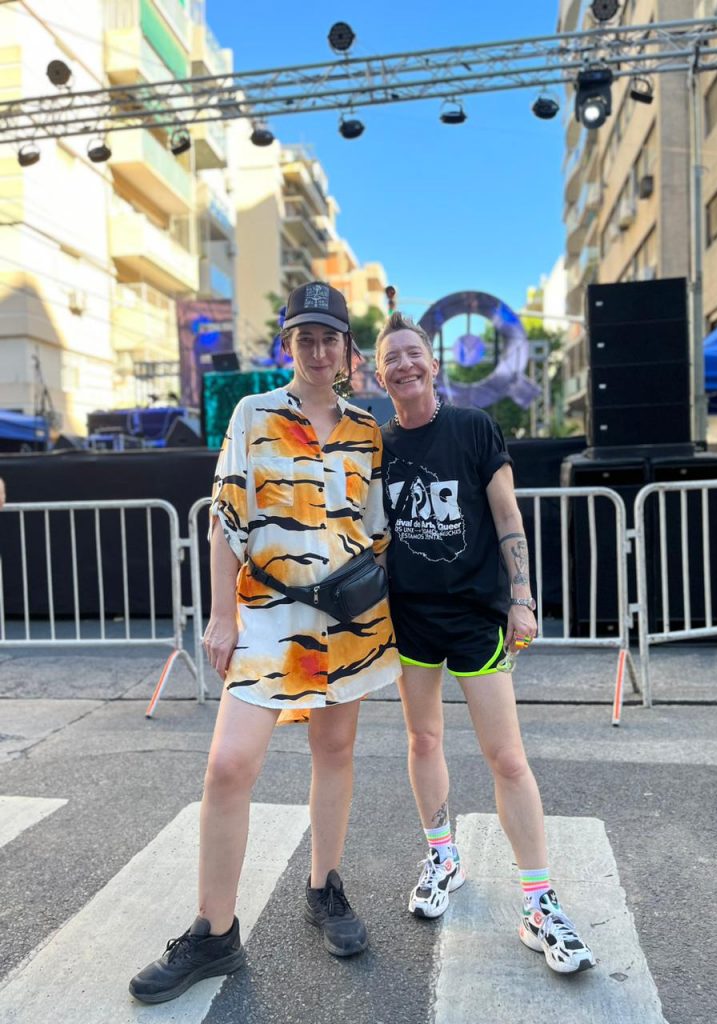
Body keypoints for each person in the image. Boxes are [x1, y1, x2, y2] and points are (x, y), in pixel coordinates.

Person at [129, 283, 401, 1004]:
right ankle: (214, 931)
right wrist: (221, 617)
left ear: (346, 348)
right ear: (289, 346)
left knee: (334, 751)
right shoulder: (253, 414)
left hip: (348, 620)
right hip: (268, 616)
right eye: (305, 338)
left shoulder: (367, 430)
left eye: (329, 338)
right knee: (228, 766)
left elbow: (376, 532)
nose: (318, 350)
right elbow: (225, 519)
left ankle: (324, 886)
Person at [374, 312, 595, 975]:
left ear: (434, 364)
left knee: (507, 757)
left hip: (476, 614)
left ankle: (539, 903)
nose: (405, 365)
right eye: (392, 358)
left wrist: (522, 598)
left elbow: (506, 515)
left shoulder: (473, 428)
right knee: (423, 740)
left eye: (414, 353)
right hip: (411, 617)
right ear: (379, 376)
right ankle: (443, 857)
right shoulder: (378, 444)